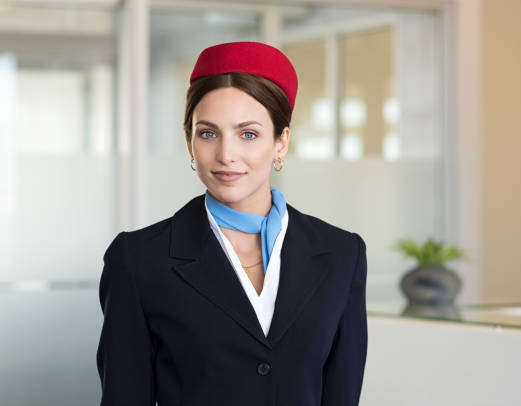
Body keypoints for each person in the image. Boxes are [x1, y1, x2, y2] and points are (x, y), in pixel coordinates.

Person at [96, 41, 368, 406]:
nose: (226, 155)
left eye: (248, 134)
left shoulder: (341, 254)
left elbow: (342, 394)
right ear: (189, 142)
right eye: (208, 133)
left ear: (281, 142)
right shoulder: (140, 259)